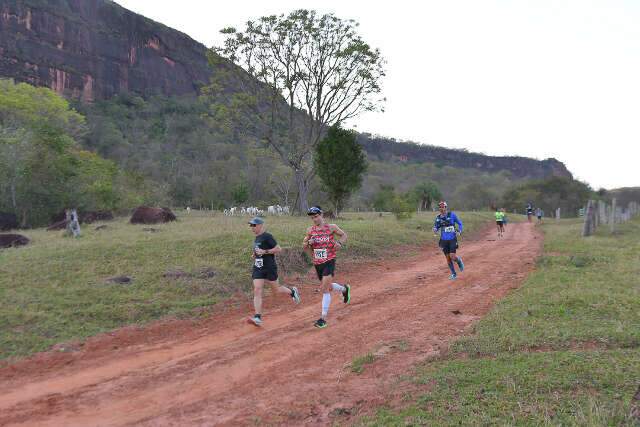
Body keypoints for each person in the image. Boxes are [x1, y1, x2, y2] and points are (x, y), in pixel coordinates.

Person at [303, 206, 350, 329]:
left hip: (329, 260)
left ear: (321, 214)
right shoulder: (310, 230)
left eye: (316, 216)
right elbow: (304, 246)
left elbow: (344, 235)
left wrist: (339, 243)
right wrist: (308, 243)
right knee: (328, 286)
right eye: (312, 217)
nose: (314, 219)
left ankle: (323, 319)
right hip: (318, 263)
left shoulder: (331, 227)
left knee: (324, 289)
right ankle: (344, 290)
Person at [247, 217, 300, 326]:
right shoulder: (256, 238)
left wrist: (264, 251)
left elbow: (278, 249)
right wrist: (255, 254)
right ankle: (257, 317)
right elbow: (258, 250)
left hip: (269, 267)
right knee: (257, 290)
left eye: (254, 225)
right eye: (251, 225)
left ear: (260, 225)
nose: (252, 227)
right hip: (258, 267)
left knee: (276, 289)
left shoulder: (267, 236)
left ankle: (292, 291)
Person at [433, 201, 464, 280]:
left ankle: (459, 261)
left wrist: (459, 231)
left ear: (446, 207)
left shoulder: (452, 215)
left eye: (443, 207)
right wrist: (435, 229)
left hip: (452, 238)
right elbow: (436, 226)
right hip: (443, 240)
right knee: (448, 258)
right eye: (440, 207)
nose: (441, 208)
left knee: (452, 256)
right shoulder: (438, 218)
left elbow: (460, 223)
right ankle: (454, 274)